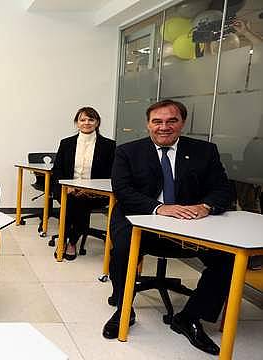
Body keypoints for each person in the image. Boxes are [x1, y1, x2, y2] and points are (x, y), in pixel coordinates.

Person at [103, 100, 234, 356]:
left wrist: (205, 206)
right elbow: (123, 191)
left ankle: (190, 316)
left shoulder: (204, 151)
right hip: (140, 218)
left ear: (182, 123)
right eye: (157, 121)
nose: (164, 127)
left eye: (171, 121)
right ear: (148, 124)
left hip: (191, 224)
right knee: (121, 250)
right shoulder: (128, 151)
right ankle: (123, 308)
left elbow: (223, 189)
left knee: (227, 257)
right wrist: (159, 208)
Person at [51, 107, 115, 260]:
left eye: (91, 119)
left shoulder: (108, 145)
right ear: (77, 123)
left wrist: (92, 189)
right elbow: (57, 170)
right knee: (74, 201)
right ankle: (70, 240)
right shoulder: (66, 143)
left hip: (96, 193)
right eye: (83, 119)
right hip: (68, 190)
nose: (87, 123)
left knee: (78, 203)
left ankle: (68, 241)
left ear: (97, 122)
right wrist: (67, 187)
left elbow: (112, 174)